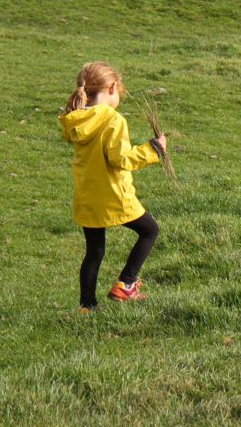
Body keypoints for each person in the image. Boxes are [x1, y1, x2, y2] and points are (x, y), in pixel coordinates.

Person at [60, 61, 166, 311]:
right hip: (114, 195)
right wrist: (155, 149)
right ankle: (126, 285)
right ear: (112, 88)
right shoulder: (112, 120)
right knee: (150, 231)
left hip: (87, 196)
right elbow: (122, 159)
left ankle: (87, 306)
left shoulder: (78, 120)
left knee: (94, 251)